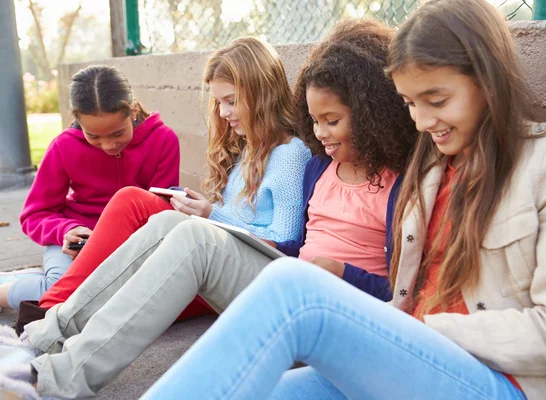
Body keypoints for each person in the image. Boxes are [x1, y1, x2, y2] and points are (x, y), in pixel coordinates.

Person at [140, 1, 546, 399]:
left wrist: (422, 330)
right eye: (410, 103)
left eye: (436, 100)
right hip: (408, 362)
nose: (422, 121)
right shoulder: (429, 168)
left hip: (497, 383)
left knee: (292, 288)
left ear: (488, 79)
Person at [16, 20, 417, 399]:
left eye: (331, 120)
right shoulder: (321, 166)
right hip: (289, 286)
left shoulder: (403, 186)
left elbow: (405, 294)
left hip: (339, 312)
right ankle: (44, 337)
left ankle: (58, 380)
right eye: (314, 121)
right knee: (170, 221)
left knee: (192, 235)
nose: (319, 133)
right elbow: (298, 247)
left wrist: (339, 271)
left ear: (371, 114)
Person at [13, 36, 312, 332]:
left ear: (263, 94)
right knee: (106, 294)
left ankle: (45, 312)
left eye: (231, 101)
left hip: (243, 275)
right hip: (208, 261)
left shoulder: (289, 154)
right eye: (219, 102)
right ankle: (49, 322)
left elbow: (285, 245)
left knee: (132, 201)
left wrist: (210, 215)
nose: (222, 113)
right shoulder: (246, 148)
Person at [0, 65, 180, 311]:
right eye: (93, 136)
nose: (108, 145)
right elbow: (35, 214)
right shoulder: (64, 147)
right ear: (77, 120)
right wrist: (67, 230)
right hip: (74, 244)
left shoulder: (163, 140)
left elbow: (160, 210)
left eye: (117, 133)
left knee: (120, 295)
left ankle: (28, 280)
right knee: (61, 293)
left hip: (132, 245)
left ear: (133, 110)